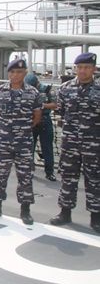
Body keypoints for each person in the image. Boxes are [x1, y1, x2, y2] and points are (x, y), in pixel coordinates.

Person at [0, 59, 42, 225]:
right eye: (12, 72)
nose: (15, 75)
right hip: (3, 141)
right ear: (8, 73)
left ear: (24, 73)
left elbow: (37, 116)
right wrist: (6, 129)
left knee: (25, 176)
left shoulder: (33, 93)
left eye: (19, 72)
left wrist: (22, 129)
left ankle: (25, 211)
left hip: (24, 141)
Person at [49, 52, 100, 233]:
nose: (83, 71)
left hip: (94, 144)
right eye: (80, 67)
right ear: (75, 68)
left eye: (87, 68)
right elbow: (61, 111)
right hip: (70, 142)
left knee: (95, 179)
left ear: (93, 69)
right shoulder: (64, 89)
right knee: (68, 178)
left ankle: (96, 217)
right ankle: (65, 212)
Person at [24, 73, 57, 181]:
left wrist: (42, 106)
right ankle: (29, 170)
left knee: (47, 147)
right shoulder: (25, 90)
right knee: (29, 148)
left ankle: (49, 172)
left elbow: (55, 104)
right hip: (31, 120)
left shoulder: (47, 90)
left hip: (45, 120)